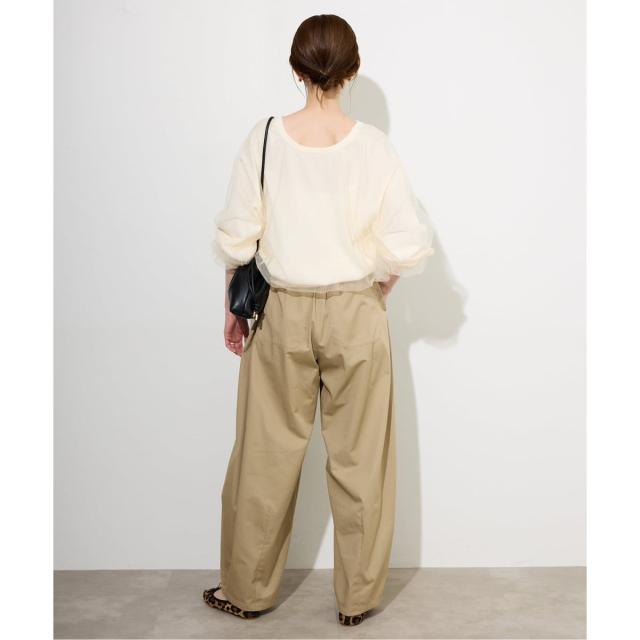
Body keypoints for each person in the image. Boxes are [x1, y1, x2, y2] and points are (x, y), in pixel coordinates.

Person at [203, 14, 434, 626]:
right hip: (356, 312)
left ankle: (247, 593)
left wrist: (232, 309)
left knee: (264, 455)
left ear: (295, 68)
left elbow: (238, 237)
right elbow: (406, 244)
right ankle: (357, 601)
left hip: (282, 311)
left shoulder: (266, 139)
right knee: (361, 461)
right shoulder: (374, 147)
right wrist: (373, 289)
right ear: (352, 72)